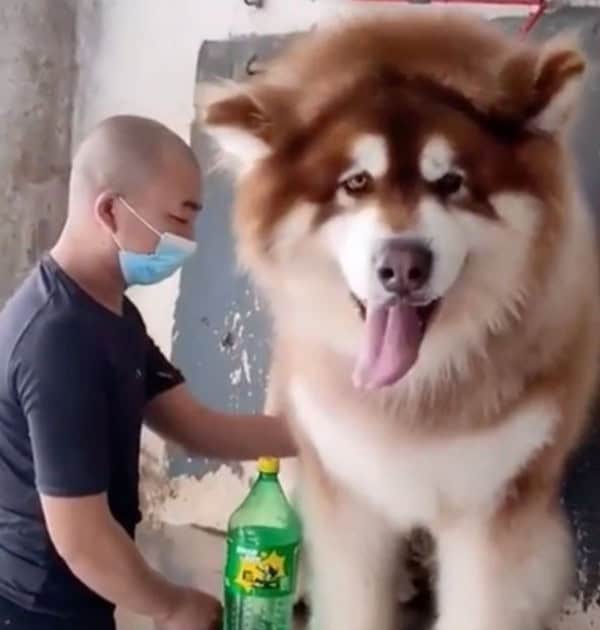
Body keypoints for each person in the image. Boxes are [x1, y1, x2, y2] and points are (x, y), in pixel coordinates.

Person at [0, 115, 297, 630]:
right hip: (35, 607)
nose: (189, 240)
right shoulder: (58, 338)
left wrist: (327, 435)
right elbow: (81, 537)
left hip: (80, 594)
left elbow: (198, 426)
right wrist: (171, 605)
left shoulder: (113, 315)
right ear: (110, 211)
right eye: (180, 218)